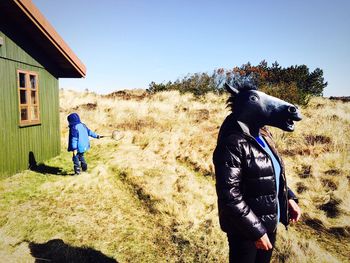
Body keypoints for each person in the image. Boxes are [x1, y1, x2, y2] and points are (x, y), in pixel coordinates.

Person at [213, 82, 302, 263]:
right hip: (245, 231)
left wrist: (289, 197)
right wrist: (256, 231)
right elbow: (230, 196)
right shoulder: (232, 143)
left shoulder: (263, 135)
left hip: (269, 222)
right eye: (255, 99)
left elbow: (270, 173)